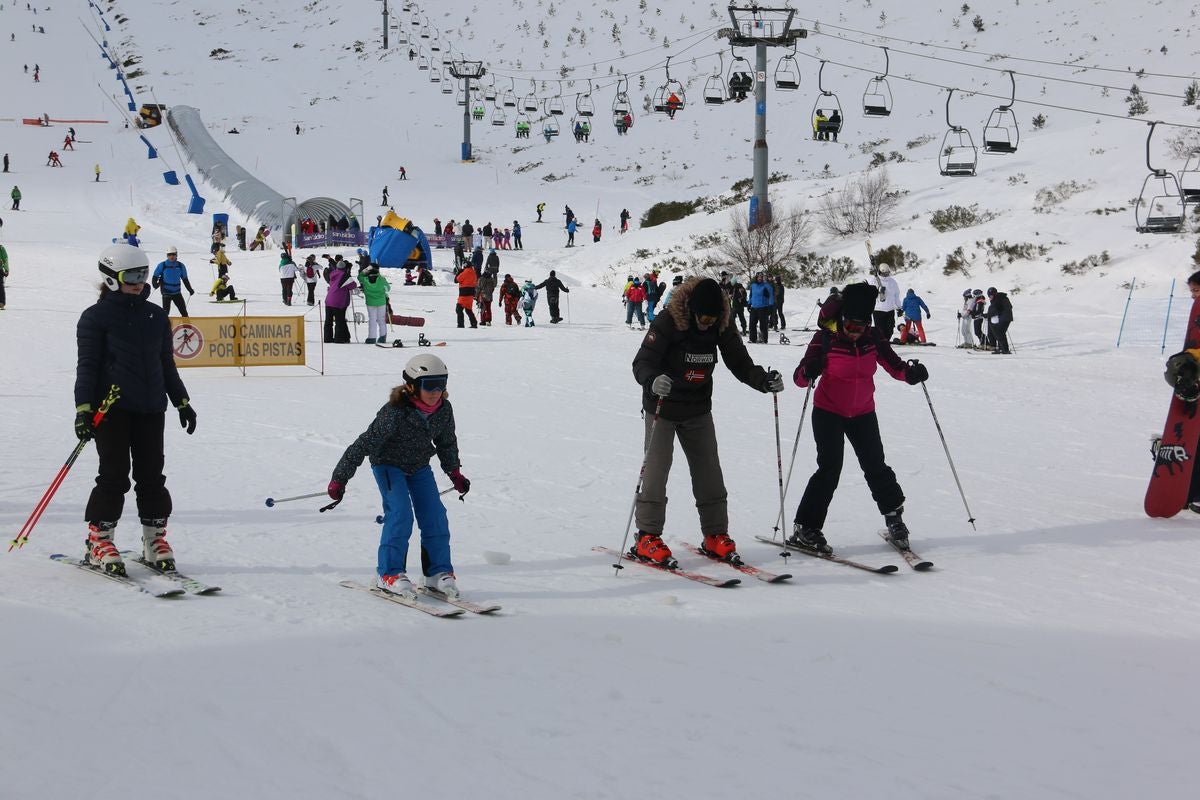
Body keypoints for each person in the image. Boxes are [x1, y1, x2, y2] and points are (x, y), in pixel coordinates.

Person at [629, 277, 784, 565]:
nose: (706, 323)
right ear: (692, 310)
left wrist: (763, 380)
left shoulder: (721, 324)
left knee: (709, 471)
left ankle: (715, 534)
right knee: (656, 470)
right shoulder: (668, 320)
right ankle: (646, 536)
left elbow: (739, 362)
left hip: (697, 408)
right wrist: (651, 380)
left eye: (711, 318)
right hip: (662, 406)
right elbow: (642, 361)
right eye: (702, 317)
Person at [75, 243, 197, 577]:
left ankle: (153, 540)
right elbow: (87, 366)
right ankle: (99, 540)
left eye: (143, 275)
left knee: (152, 476)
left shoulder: (155, 315)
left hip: (150, 407)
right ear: (111, 278)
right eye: (131, 276)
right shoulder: (95, 317)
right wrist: (83, 409)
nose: (139, 282)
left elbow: (165, 364)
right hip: (111, 409)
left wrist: (181, 401)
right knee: (114, 475)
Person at [789, 282, 928, 555]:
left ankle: (894, 519)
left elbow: (894, 365)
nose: (855, 333)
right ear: (841, 321)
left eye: (860, 328)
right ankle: (806, 527)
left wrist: (911, 374)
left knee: (876, 466)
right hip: (828, 411)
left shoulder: (873, 338)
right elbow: (798, 378)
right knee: (829, 469)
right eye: (850, 327)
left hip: (863, 412)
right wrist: (809, 370)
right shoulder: (825, 339)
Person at [327, 354, 470, 599]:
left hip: (419, 466)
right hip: (388, 465)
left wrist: (454, 471)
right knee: (401, 514)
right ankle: (388, 573)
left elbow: (446, 442)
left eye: (441, 384)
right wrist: (340, 478)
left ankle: (437, 573)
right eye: (429, 385)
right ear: (412, 385)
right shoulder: (395, 411)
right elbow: (364, 443)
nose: (436, 391)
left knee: (435, 515)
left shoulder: (443, 409)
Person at [151, 247, 194, 317]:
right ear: (167, 256)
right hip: (166, 292)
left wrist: (190, 289)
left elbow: (185, 279)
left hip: (177, 293)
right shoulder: (163, 265)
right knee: (165, 314)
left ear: (176, 255)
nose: (171, 256)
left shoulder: (180, 266)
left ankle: (187, 327)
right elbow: (155, 276)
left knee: (184, 313)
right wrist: (155, 284)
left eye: (173, 254)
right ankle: (164, 328)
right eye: (169, 255)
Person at [324, 257, 357, 343]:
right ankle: (339, 338)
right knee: (339, 320)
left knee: (328, 321)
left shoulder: (332, 274)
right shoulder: (344, 276)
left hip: (328, 300)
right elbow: (353, 285)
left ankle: (327, 338)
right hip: (338, 302)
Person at [360, 265, 391, 344]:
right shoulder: (381, 279)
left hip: (370, 302)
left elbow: (359, 276)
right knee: (381, 319)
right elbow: (388, 289)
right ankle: (382, 337)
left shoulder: (365, 279)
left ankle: (372, 337)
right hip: (381, 302)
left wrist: (366, 269)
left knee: (372, 320)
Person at [747, 272, 775, 344]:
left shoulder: (766, 286)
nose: (760, 278)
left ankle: (764, 339)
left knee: (763, 324)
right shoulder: (753, 285)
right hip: (754, 307)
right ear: (756, 278)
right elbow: (751, 295)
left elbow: (771, 296)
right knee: (752, 324)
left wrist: (771, 306)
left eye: (761, 277)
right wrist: (749, 303)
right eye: (758, 277)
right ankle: (752, 339)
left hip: (763, 307)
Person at [872, 267, 901, 334]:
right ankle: (880, 342)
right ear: (879, 272)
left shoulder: (892, 282)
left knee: (890, 330)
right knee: (879, 330)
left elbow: (896, 295)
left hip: (890, 310)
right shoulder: (874, 281)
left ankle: (885, 342)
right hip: (878, 310)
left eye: (887, 273)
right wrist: (878, 290)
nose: (885, 275)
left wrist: (899, 307)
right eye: (883, 273)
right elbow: (870, 294)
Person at [986, 287, 1014, 354]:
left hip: (1004, 318)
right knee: (1000, 333)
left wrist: (987, 315)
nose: (990, 297)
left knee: (1000, 333)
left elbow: (994, 310)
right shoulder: (1001, 298)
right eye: (989, 295)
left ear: (995, 294)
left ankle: (1005, 350)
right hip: (1005, 317)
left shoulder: (998, 299)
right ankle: (1002, 348)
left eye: (991, 295)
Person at [454, 260, 479, 329]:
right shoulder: (473, 272)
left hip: (464, 294)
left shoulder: (465, 272)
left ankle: (460, 325)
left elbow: (456, 280)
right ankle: (474, 323)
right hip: (470, 295)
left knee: (459, 309)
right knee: (468, 310)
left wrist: (459, 272)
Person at [0, 241, 8, 309]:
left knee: (0, 286)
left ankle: (1, 303)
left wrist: (6, 269)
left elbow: (5, 259)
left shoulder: (1, 249)